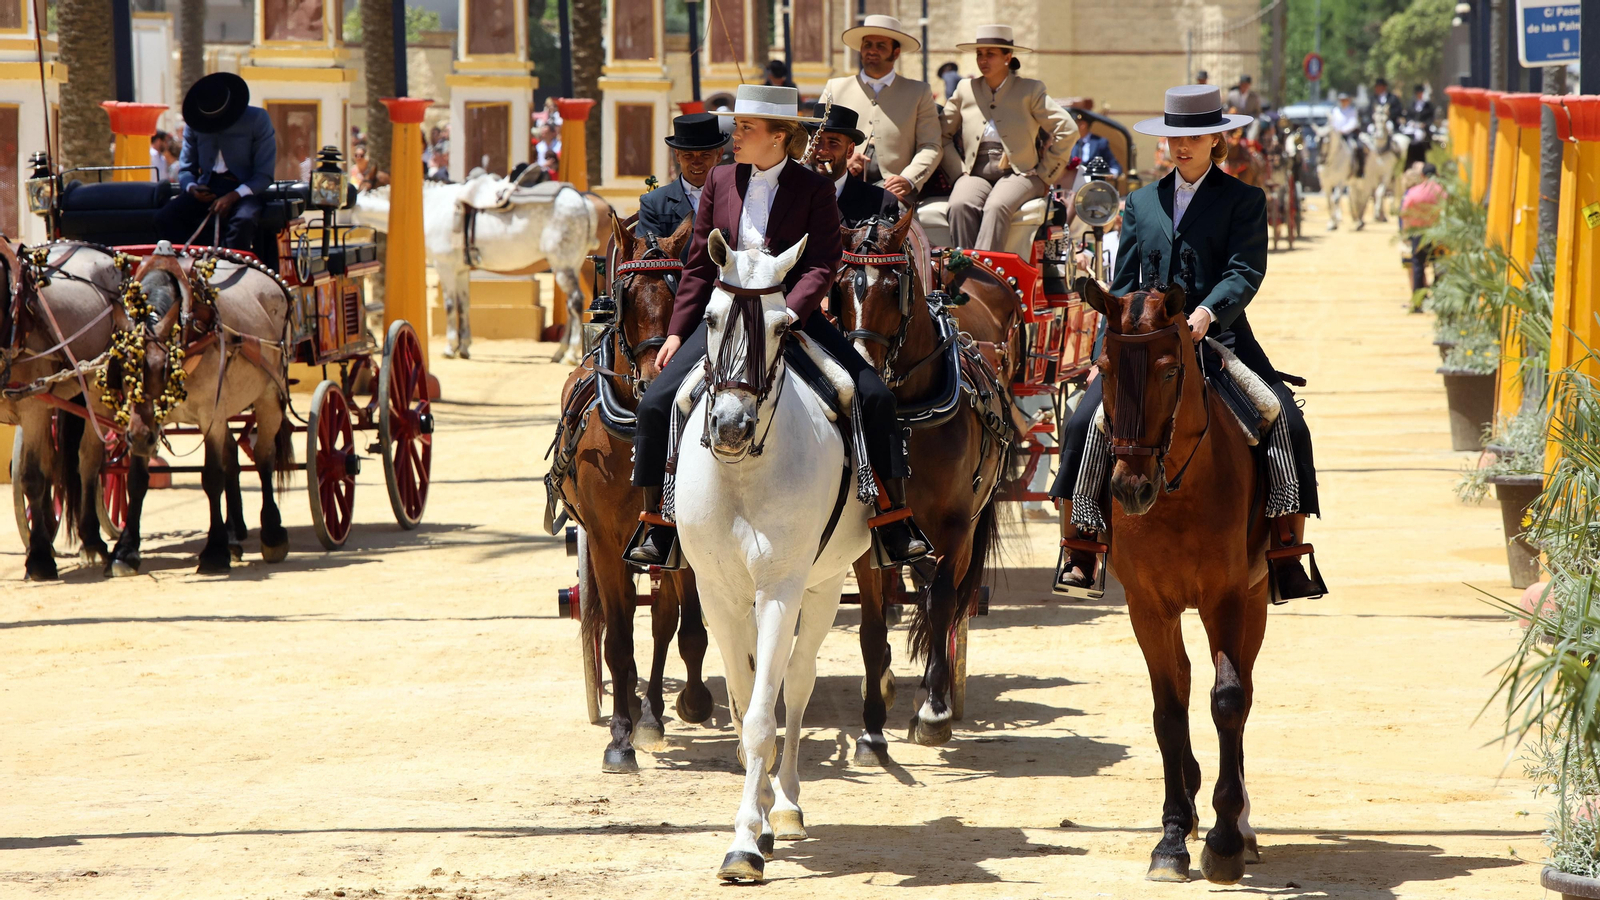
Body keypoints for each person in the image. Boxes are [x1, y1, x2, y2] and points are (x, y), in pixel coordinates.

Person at [624, 84, 930, 569]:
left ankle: (892, 518)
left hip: (789, 318)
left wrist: (792, 312)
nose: (735, 135)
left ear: (778, 136)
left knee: (873, 395)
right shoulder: (721, 180)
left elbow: (823, 262)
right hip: (725, 319)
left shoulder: (813, 189)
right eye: (737, 126)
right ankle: (657, 523)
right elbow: (699, 265)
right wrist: (679, 331)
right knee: (658, 401)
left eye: (745, 127)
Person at [1048, 83, 1322, 601]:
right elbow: (1123, 287)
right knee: (1084, 421)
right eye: (1175, 137)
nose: (1182, 146)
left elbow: (1245, 270)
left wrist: (1207, 310)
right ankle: (1081, 543)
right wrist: (1103, 354)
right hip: (1141, 345)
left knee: (1285, 418)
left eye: (1193, 137)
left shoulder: (1244, 200)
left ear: (1216, 139)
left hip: (1220, 338)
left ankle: (1286, 550)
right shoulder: (1140, 201)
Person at [940, 24, 1073, 251]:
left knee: (996, 206)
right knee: (959, 204)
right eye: (979, 54)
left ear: (1007, 57)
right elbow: (941, 133)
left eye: (990, 54)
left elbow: (1068, 129)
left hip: (1021, 174)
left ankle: (983, 270)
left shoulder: (1030, 90)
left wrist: (1045, 174)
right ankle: (963, 268)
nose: (983, 60)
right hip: (974, 172)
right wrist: (958, 171)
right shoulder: (965, 89)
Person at [821, 14, 943, 204]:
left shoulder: (919, 92)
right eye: (867, 45)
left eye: (881, 46)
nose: (872, 50)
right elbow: (816, 139)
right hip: (842, 183)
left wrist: (908, 179)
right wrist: (841, 163)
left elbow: (931, 145)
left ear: (896, 53)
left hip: (894, 189)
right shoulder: (835, 88)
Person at [155, 72, 276, 252]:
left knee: (243, 221)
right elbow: (186, 169)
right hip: (207, 187)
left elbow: (264, 175)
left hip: (245, 190)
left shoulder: (257, 119)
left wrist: (234, 196)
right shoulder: (194, 123)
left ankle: (234, 266)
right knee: (165, 218)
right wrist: (192, 188)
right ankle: (190, 263)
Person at [635, 112, 729, 255]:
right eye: (688, 155)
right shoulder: (654, 203)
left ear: (719, 155)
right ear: (678, 155)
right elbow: (649, 255)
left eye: (705, 155)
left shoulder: (735, 197)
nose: (696, 163)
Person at [804, 105, 903, 225]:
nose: (822, 150)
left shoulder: (880, 202)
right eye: (817, 141)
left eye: (833, 143)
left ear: (850, 150)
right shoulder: (790, 192)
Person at [1402, 163, 1444, 297]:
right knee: (1439, 265)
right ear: (1436, 174)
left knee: (1418, 265)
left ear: (1422, 175)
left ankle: (1418, 300)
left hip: (1419, 233)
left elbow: (1405, 213)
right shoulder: (1442, 192)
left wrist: (1406, 232)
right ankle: (1439, 297)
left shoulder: (1414, 192)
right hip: (1438, 234)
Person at [1067, 108, 1122, 180]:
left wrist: (1110, 174)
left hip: (1094, 184)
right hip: (1072, 183)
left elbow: (1115, 166)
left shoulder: (1100, 142)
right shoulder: (1069, 142)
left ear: (1083, 125)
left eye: (1074, 124)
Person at [1329, 92, 1364, 177]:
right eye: (1341, 100)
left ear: (1349, 101)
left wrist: (1343, 130)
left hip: (1348, 135)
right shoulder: (1335, 110)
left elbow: (1353, 122)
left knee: (1356, 147)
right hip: (1337, 135)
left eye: (1345, 100)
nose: (1343, 102)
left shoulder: (1352, 110)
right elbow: (1333, 122)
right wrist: (1336, 130)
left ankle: (1358, 170)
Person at [1403, 83, 1435, 167]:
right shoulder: (1411, 104)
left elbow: (1431, 117)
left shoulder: (1428, 105)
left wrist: (1424, 124)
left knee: (1419, 136)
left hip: (1422, 127)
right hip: (1412, 126)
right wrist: (1410, 122)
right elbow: (1407, 116)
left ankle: (1418, 155)